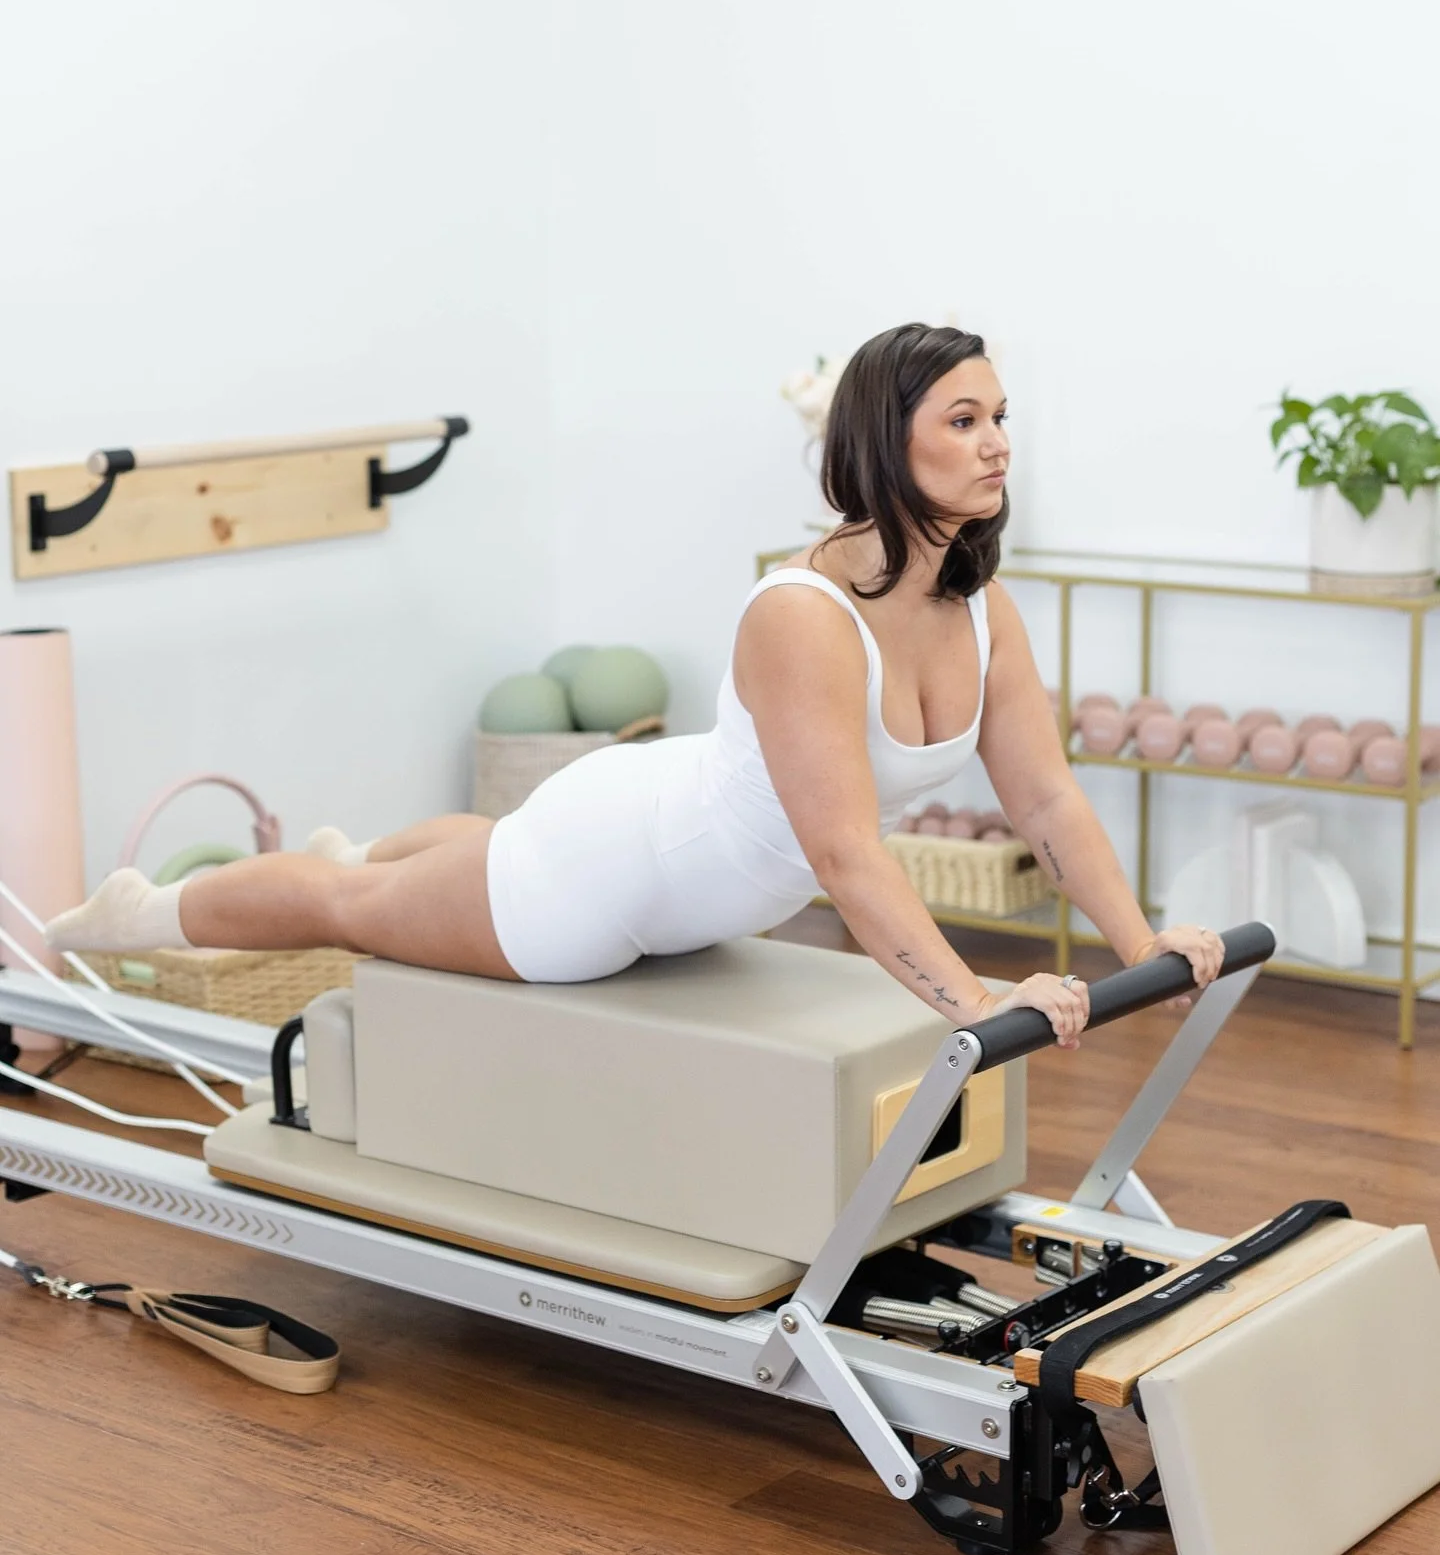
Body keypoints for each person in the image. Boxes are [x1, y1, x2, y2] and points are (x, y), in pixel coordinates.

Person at [47, 322, 1222, 1041]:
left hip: (676, 853)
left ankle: (374, 851)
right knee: (348, 908)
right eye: (963, 418)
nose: (998, 442)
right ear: (883, 440)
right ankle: (132, 915)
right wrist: (969, 999)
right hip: (603, 885)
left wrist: (1143, 948)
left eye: (1001, 416)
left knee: (461, 852)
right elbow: (846, 855)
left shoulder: (983, 608)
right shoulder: (800, 617)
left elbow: (1051, 805)